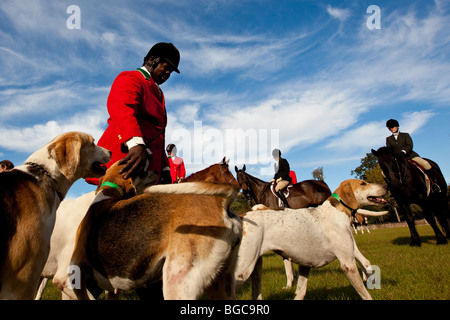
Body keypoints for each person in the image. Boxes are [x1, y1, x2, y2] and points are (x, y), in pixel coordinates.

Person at [86, 42, 180, 185]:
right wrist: (135, 144)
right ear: (151, 60)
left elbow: (158, 136)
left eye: (171, 71)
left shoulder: (159, 94)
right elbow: (122, 109)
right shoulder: (132, 77)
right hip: (126, 160)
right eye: (166, 67)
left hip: (149, 171)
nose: (168, 73)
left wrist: (165, 168)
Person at [386, 119, 440, 193]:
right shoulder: (388, 139)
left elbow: (410, 145)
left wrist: (404, 152)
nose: (391, 129)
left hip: (410, 156)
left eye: (393, 127)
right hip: (398, 159)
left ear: (397, 126)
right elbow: (389, 150)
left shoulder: (405, 135)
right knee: (385, 172)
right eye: (389, 127)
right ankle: (393, 189)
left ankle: (434, 184)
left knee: (426, 164)